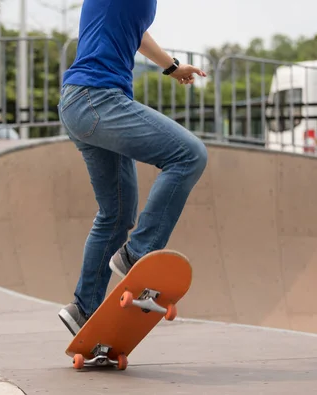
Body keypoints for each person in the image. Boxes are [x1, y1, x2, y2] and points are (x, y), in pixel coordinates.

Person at [56, 0, 208, 336]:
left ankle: (84, 309)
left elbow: (136, 33)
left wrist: (172, 66)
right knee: (189, 154)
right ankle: (140, 252)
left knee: (117, 213)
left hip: (83, 104)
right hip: (97, 99)